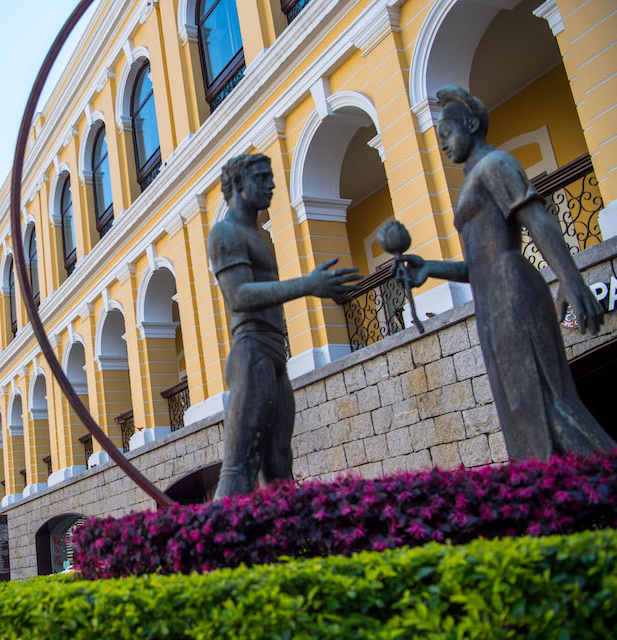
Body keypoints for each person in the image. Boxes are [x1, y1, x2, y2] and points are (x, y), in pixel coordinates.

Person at [398, 85, 616, 460]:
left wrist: (571, 279)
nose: (444, 144)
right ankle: (551, 496)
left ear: (470, 123)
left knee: (545, 400)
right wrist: (430, 268)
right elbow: (479, 264)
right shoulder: (475, 178)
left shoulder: (494, 165)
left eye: (447, 133)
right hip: (492, 297)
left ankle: (599, 479)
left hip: (512, 289)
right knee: (521, 408)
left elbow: (536, 219)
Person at [207, 153, 361, 498]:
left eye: (270, 177)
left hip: (273, 352)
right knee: (239, 465)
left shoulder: (256, 235)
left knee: (279, 463)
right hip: (251, 351)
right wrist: (307, 285)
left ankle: (286, 542)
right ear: (238, 184)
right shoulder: (225, 232)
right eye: (262, 177)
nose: (271, 184)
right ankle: (218, 549)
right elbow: (239, 297)